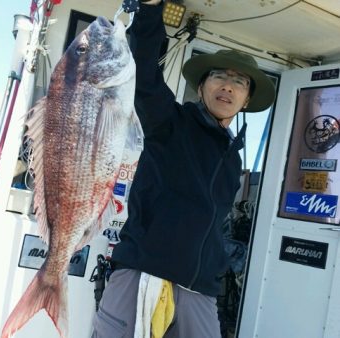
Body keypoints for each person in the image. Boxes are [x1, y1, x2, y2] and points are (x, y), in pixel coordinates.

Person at [92, 0, 276, 337]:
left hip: (199, 288)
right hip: (140, 272)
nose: (228, 85)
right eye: (219, 76)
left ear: (246, 99)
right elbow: (144, 74)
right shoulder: (169, 123)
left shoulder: (233, 157)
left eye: (240, 82)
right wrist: (149, 10)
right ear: (202, 86)